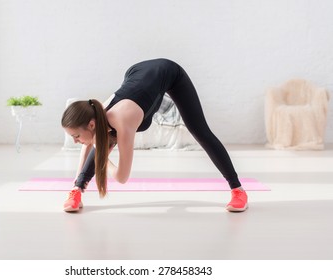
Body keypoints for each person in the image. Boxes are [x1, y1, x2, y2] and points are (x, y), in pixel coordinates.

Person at [61, 58, 248, 213]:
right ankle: (77, 191)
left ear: (91, 124)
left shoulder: (122, 121)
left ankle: (238, 190)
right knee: (104, 140)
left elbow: (122, 177)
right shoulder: (98, 113)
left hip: (168, 72)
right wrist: (76, 186)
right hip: (136, 73)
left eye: (76, 136)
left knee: (199, 130)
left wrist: (102, 156)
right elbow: (89, 145)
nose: (75, 141)